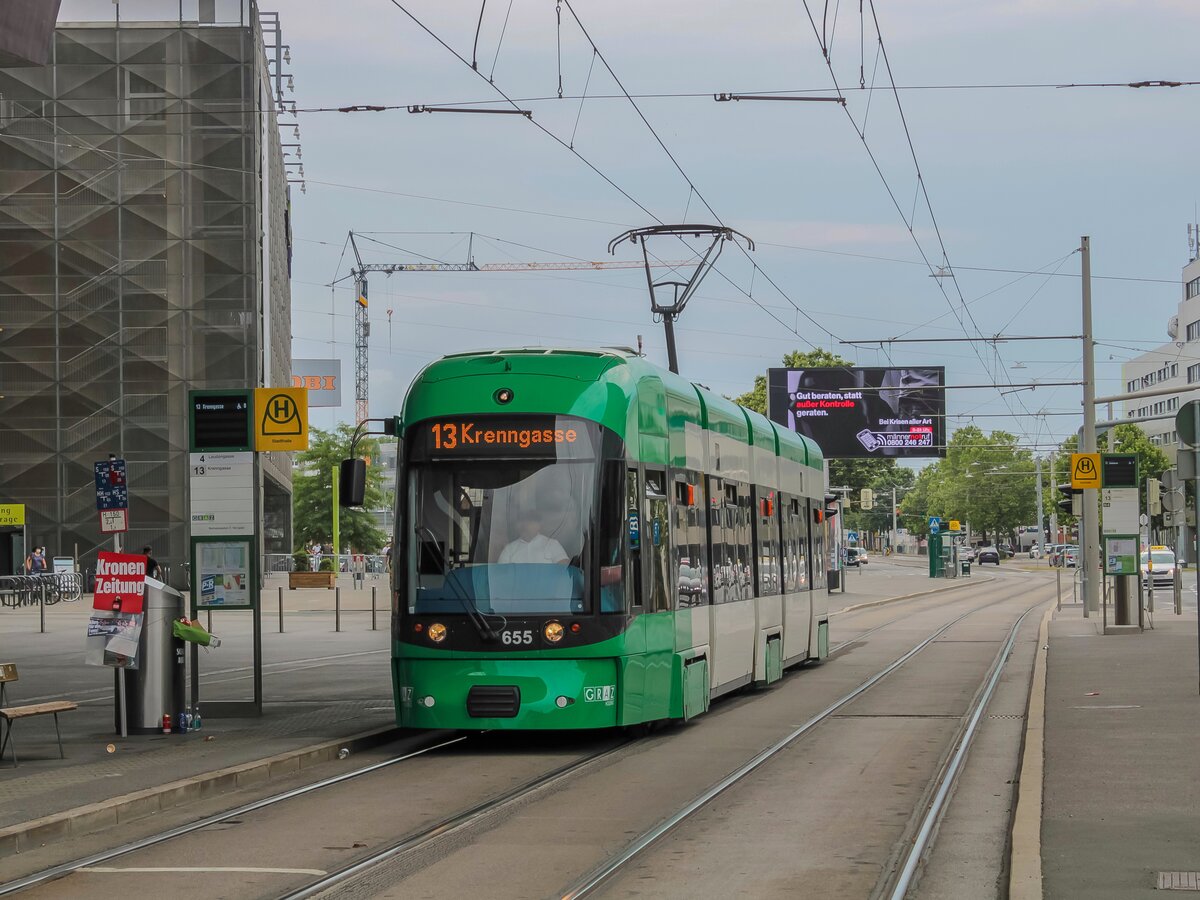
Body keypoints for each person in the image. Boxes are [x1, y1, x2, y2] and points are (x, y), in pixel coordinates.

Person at [498, 508, 568, 565]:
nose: (524, 525)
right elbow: (501, 574)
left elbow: (564, 569)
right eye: (521, 521)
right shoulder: (509, 549)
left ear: (538, 525)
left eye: (529, 521)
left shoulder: (552, 544)